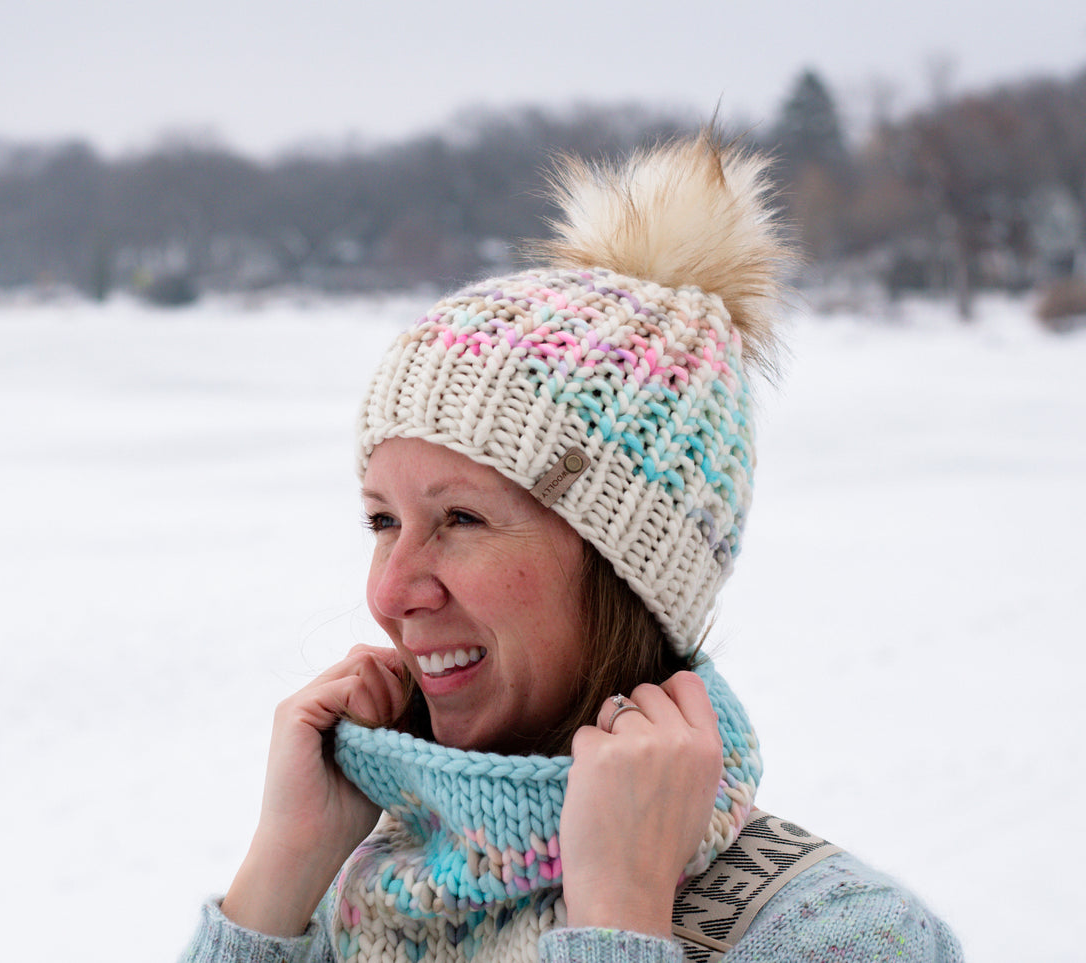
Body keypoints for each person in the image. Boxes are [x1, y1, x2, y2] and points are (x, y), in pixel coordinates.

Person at [179, 132, 961, 962]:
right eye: (382, 521)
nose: (390, 591)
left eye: (461, 520)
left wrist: (619, 918)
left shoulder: (841, 934)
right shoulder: (347, 895)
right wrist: (280, 873)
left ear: (630, 569)